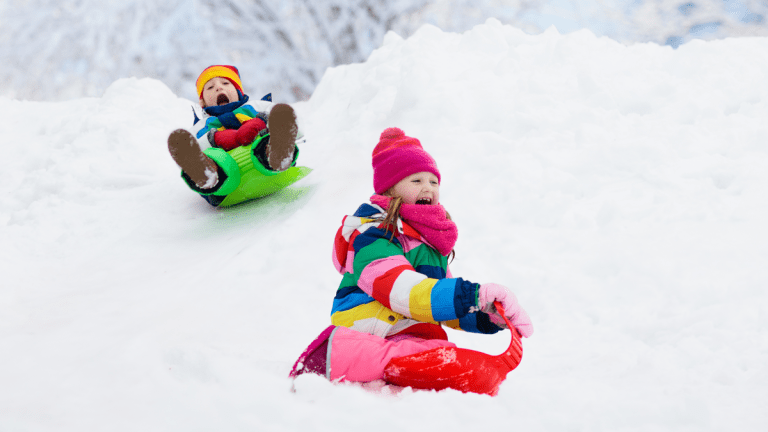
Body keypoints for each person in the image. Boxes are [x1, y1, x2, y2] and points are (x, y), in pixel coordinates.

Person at [289, 127, 533, 383]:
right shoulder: (373, 235)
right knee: (433, 355)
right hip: (372, 324)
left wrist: (486, 313)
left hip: (407, 329)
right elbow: (400, 288)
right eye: (416, 181)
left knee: (438, 353)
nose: (428, 188)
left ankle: (415, 358)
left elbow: (438, 303)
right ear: (389, 190)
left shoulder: (429, 242)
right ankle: (336, 352)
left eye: (434, 181)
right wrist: (470, 294)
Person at [167, 65, 307, 207]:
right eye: (210, 88)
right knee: (212, 156)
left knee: (269, 135)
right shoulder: (203, 125)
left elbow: (295, 126)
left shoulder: (255, 107)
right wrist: (215, 139)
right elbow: (188, 154)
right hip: (225, 186)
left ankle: (277, 153)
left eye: (226, 83)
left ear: (238, 91)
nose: (218, 88)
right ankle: (209, 174)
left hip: (268, 164)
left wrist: (261, 121)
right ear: (202, 102)